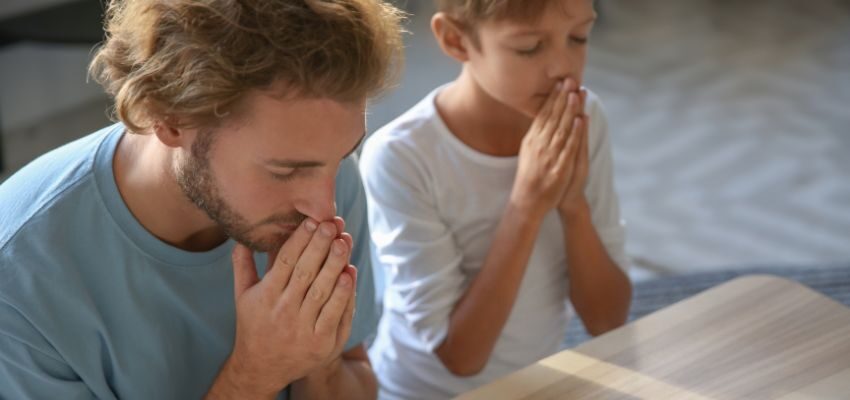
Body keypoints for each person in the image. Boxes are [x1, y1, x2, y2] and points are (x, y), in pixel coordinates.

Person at [0, 0, 403, 398]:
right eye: (284, 171)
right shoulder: (21, 280)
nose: (325, 208)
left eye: (344, 153)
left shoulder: (323, 171)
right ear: (169, 119)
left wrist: (317, 359)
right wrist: (254, 373)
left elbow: (355, 379)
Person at [360, 0, 633, 397]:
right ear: (456, 40)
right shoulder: (402, 157)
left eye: (578, 38)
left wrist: (573, 207)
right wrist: (526, 206)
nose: (563, 67)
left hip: (537, 383)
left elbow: (608, 320)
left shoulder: (583, 119)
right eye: (529, 47)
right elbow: (461, 358)